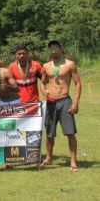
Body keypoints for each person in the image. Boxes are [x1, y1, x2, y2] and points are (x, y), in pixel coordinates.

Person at [40, 40, 81, 172]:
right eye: (51, 49)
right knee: (49, 133)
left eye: (55, 48)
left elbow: (78, 83)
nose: (53, 51)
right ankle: (49, 158)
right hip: (51, 103)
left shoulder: (69, 64)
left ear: (61, 49)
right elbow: (43, 83)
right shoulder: (46, 66)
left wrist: (75, 102)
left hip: (65, 101)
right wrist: (44, 90)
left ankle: (73, 161)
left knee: (70, 133)